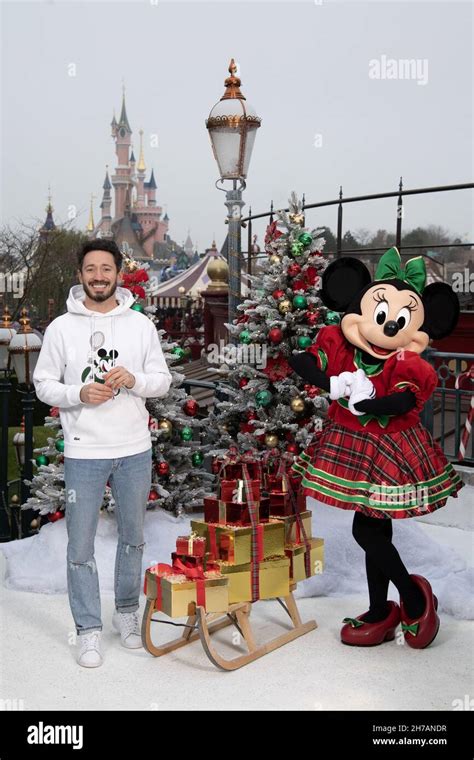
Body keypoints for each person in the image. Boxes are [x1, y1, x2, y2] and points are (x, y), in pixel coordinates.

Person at [289, 247, 462, 649]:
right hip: (351, 442)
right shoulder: (339, 342)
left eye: (398, 322)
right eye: (381, 316)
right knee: (373, 524)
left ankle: (414, 596)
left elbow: (403, 401)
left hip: (389, 450)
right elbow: (302, 360)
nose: (385, 328)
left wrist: (369, 404)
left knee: (367, 529)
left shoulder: (408, 362)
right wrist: (328, 383)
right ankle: (381, 608)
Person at [33, 239, 172, 667]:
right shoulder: (60, 329)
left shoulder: (139, 325)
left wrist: (134, 379)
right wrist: (78, 393)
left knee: (132, 538)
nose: (98, 276)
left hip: (133, 449)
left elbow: (162, 380)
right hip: (84, 452)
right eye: (90, 269)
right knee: (80, 546)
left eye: (106, 268)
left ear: (118, 274)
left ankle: (126, 615)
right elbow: (42, 385)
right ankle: (89, 629)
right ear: (80, 275)